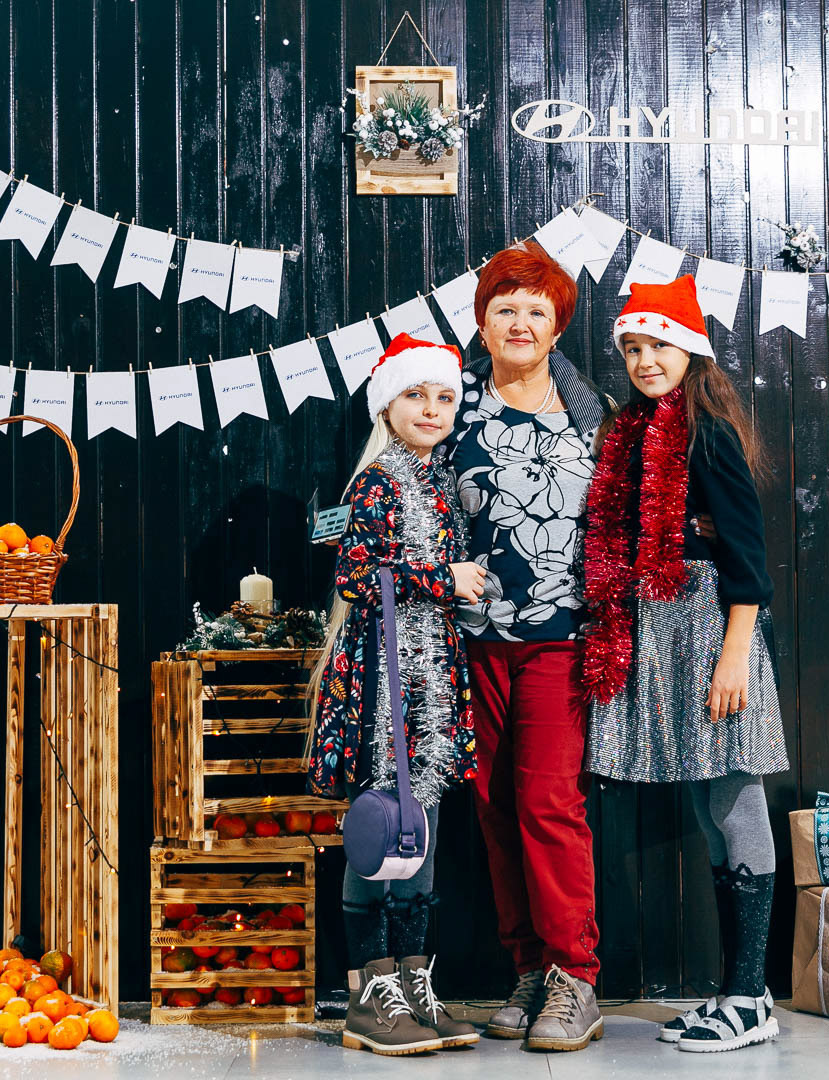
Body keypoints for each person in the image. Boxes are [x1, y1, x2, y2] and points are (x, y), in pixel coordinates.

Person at [583, 276, 790, 1053]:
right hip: (669, 633)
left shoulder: (707, 433)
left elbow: (748, 557)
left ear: (691, 350)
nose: (645, 360)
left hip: (714, 635)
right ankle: (742, 991)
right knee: (710, 815)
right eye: (633, 348)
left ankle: (749, 998)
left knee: (736, 802)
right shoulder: (638, 433)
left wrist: (735, 655)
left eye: (658, 345)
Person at [439, 240, 609, 1051]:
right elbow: (411, 497)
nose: (519, 323)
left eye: (535, 311)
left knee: (549, 804)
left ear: (556, 327)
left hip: (559, 640)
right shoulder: (451, 403)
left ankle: (576, 975)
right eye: (504, 308)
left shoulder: (590, 412)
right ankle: (531, 968)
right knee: (494, 806)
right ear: (481, 322)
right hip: (470, 642)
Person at [308, 333, 489, 1055]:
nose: (432, 408)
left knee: (423, 827)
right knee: (381, 825)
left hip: (432, 673)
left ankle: (413, 985)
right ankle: (367, 994)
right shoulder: (378, 481)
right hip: (382, 677)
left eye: (444, 397)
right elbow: (356, 575)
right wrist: (444, 579)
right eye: (416, 394)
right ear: (387, 404)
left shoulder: (438, 481)